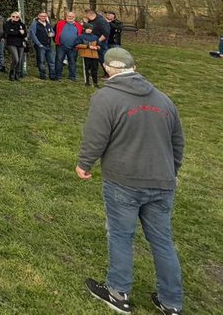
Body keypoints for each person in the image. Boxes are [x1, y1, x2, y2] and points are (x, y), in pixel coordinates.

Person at [77, 47, 185, 315]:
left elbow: (95, 136)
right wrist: (171, 170)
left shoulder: (105, 98)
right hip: (162, 181)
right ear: (134, 68)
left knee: (120, 236)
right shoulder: (164, 100)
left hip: (123, 182)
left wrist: (84, 163)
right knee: (162, 241)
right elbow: (178, 143)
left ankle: (118, 292)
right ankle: (172, 302)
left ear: (106, 69)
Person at [55, 11, 83, 82]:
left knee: (72, 62)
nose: (70, 18)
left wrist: (78, 44)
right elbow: (54, 32)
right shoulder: (60, 23)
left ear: (74, 17)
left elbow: (81, 35)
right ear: (66, 16)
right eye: (69, 16)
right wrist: (56, 41)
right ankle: (58, 76)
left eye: (72, 16)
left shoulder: (79, 25)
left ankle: (72, 77)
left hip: (73, 47)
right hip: (61, 46)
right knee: (59, 61)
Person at [29, 11, 56, 80]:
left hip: (49, 45)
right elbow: (32, 35)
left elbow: (53, 32)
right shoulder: (35, 24)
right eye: (41, 16)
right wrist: (38, 44)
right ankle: (43, 76)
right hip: (40, 46)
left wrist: (52, 34)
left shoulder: (48, 24)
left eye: (44, 16)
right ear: (38, 16)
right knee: (41, 62)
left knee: (52, 62)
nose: (43, 17)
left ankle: (52, 76)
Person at [5, 11, 27, 81]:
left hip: (20, 43)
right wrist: (18, 32)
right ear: (11, 17)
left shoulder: (22, 24)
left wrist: (15, 32)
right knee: (16, 59)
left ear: (19, 17)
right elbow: (8, 32)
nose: (15, 18)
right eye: (13, 16)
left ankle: (17, 74)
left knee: (19, 60)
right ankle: (11, 73)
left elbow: (25, 34)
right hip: (11, 43)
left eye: (17, 17)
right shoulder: (8, 23)